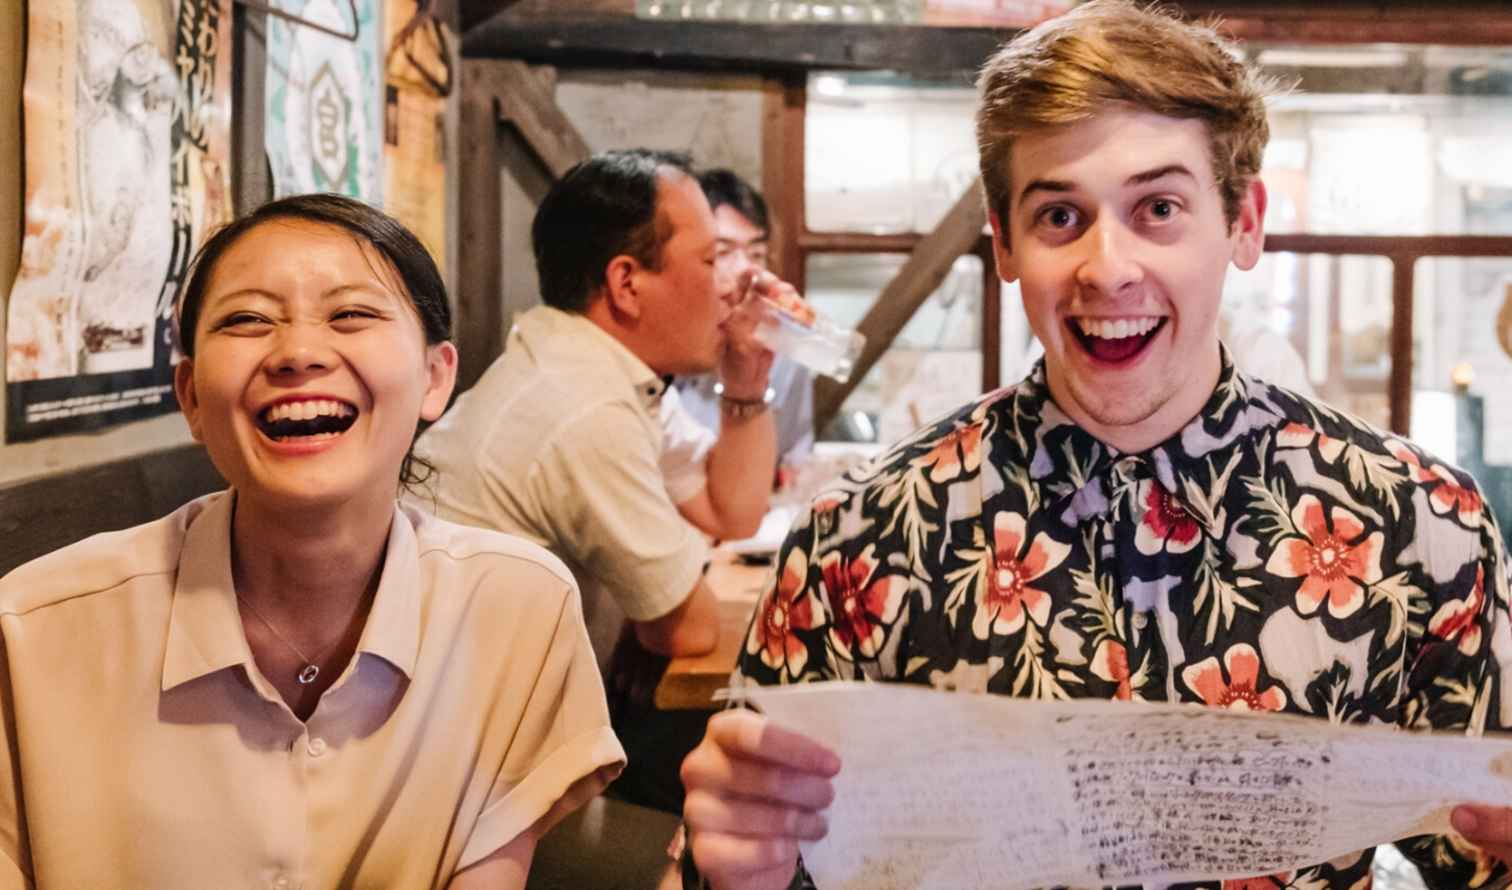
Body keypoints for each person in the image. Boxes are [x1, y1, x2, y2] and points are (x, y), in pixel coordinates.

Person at [677, 3, 1512, 889]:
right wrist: (738, 867)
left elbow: (1479, 857)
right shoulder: (860, 536)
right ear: (1003, 239)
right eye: (1060, 217)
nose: (1107, 268)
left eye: (1158, 207)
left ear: (1244, 222)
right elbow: (768, 853)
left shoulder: (1418, 524)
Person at [0, 194, 624, 888]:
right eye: (246, 319)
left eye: (352, 314)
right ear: (191, 398)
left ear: (436, 377)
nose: (297, 353)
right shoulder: (32, 631)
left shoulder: (518, 610)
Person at [412, 150, 793, 812]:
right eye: (711, 261)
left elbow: (731, 510)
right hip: (464, 784)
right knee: (755, 803)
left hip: (510, 738)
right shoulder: (581, 403)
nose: (734, 285)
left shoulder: (605, 372)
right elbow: (688, 632)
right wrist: (658, 611)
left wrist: (747, 379)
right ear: (626, 283)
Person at [675, 169, 817, 495]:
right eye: (723, 252)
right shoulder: (664, 345)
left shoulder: (780, 349)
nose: (745, 270)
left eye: (756, 254)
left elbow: (794, 460)